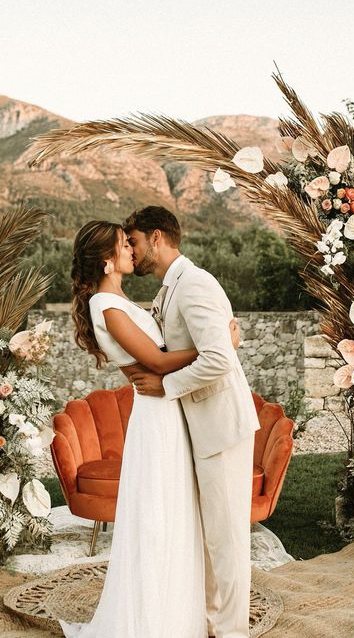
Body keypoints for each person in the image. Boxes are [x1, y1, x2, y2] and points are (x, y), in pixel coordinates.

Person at [63, 220, 240, 638]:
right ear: (107, 261)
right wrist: (218, 347)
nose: (131, 250)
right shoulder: (104, 304)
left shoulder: (121, 299)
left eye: (131, 242)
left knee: (175, 513)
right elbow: (157, 363)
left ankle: (176, 612)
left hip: (167, 409)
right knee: (158, 517)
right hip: (156, 415)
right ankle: (149, 621)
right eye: (124, 245)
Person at [126, 206, 259, 638]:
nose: (131, 250)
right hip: (196, 427)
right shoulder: (171, 287)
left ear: (158, 237)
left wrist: (165, 386)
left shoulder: (195, 283)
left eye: (134, 241)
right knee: (206, 538)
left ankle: (232, 631)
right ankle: (207, 622)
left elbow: (219, 358)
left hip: (220, 425)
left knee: (227, 539)